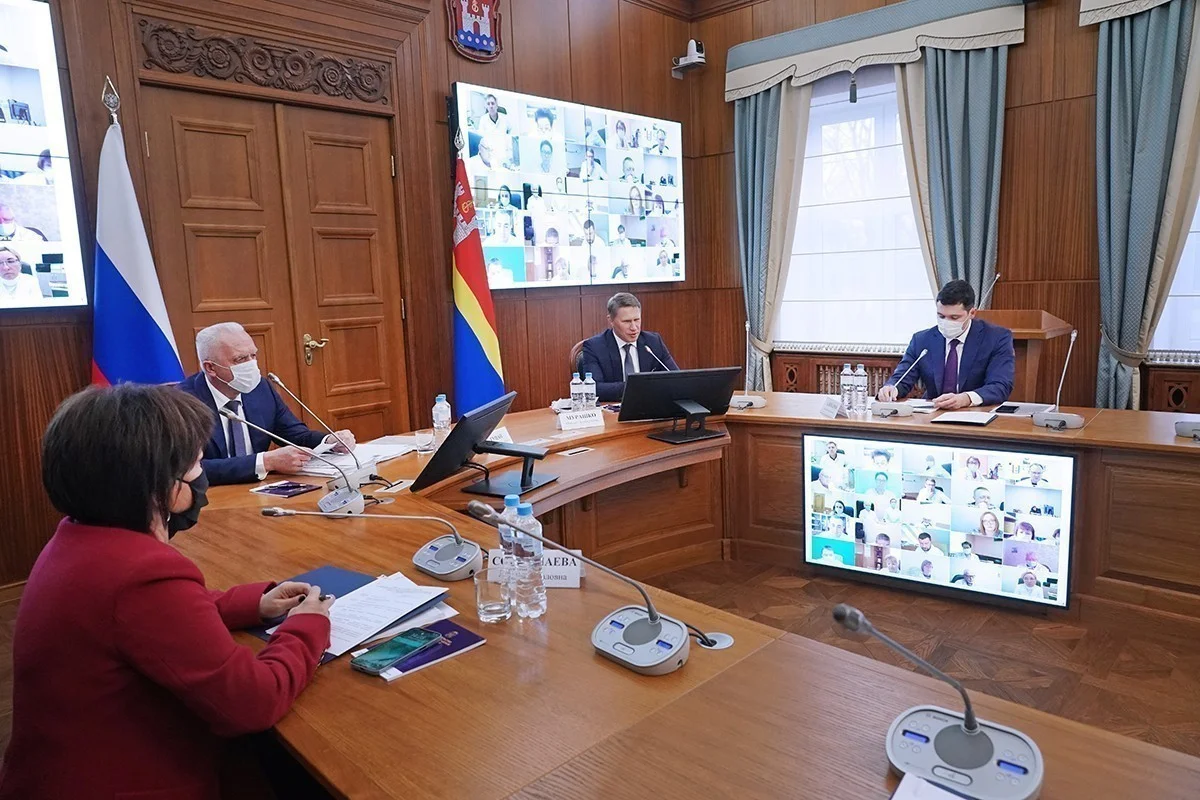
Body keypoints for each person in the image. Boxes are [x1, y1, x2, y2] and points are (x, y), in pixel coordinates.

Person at [0, 384, 332, 798]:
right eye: (196, 466)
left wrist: (255, 604)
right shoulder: (142, 573)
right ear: (160, 485)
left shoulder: (77, 539)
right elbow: (252, 703)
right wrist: (305, 627)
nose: (201, 477)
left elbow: (156, 617)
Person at [176, 322, 356, 485]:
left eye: (253, 355)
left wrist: (329, 441)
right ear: (210, 368)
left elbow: (293, 433)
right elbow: (185, 468)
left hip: (260, 489)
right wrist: (265, 462)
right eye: (240, 359)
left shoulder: (260, 388)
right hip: (210, 495)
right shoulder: (181, 403)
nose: (251, 365)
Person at [877, 279, 1015, 409]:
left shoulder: (996, 338)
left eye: (954, 317)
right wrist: (892, 388)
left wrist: (966, 398)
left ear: (972, 313)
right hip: (932, 413)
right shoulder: (922, 340)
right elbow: (903, 377)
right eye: (941, 316)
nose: (946, 322)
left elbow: (1000, 386)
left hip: (976, 413)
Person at [578, 292, 678, 401]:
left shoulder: (653, 342)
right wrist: (637, 386)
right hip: (614, 408)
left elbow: (676, 378)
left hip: (650, 405)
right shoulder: (594, 347)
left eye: (637, 320)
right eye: (626, 321)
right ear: (611, 320)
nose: (634, 327)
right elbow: (594, 388)